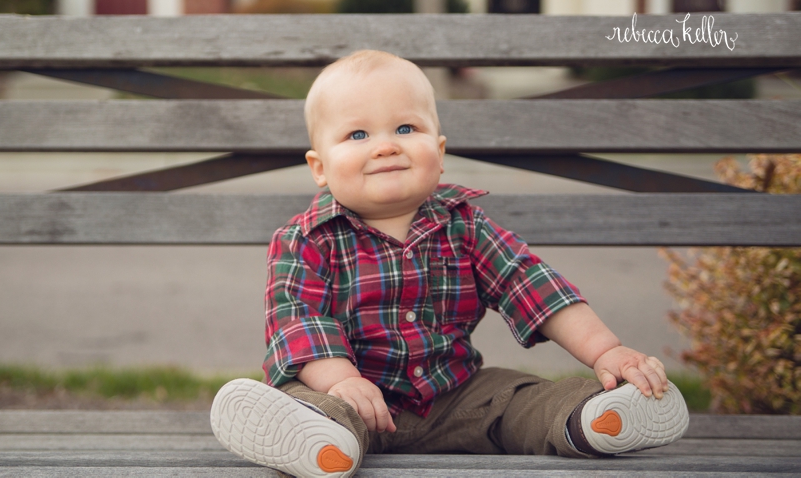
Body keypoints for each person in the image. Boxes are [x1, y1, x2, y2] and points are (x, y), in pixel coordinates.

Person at [211, 50, 689, 477]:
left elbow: (532, 284)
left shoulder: (466, 227)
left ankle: (594, 418)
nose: (385, 145)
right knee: (312, 403)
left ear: (438, 153)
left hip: (458, 398)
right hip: (353, 400)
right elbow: (299, 322)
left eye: (406, 128)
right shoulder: (305, 241)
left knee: (516, 399)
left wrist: (607, 352)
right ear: (320, 167)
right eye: (358, 134)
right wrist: (344, 382)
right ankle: (317, 444)